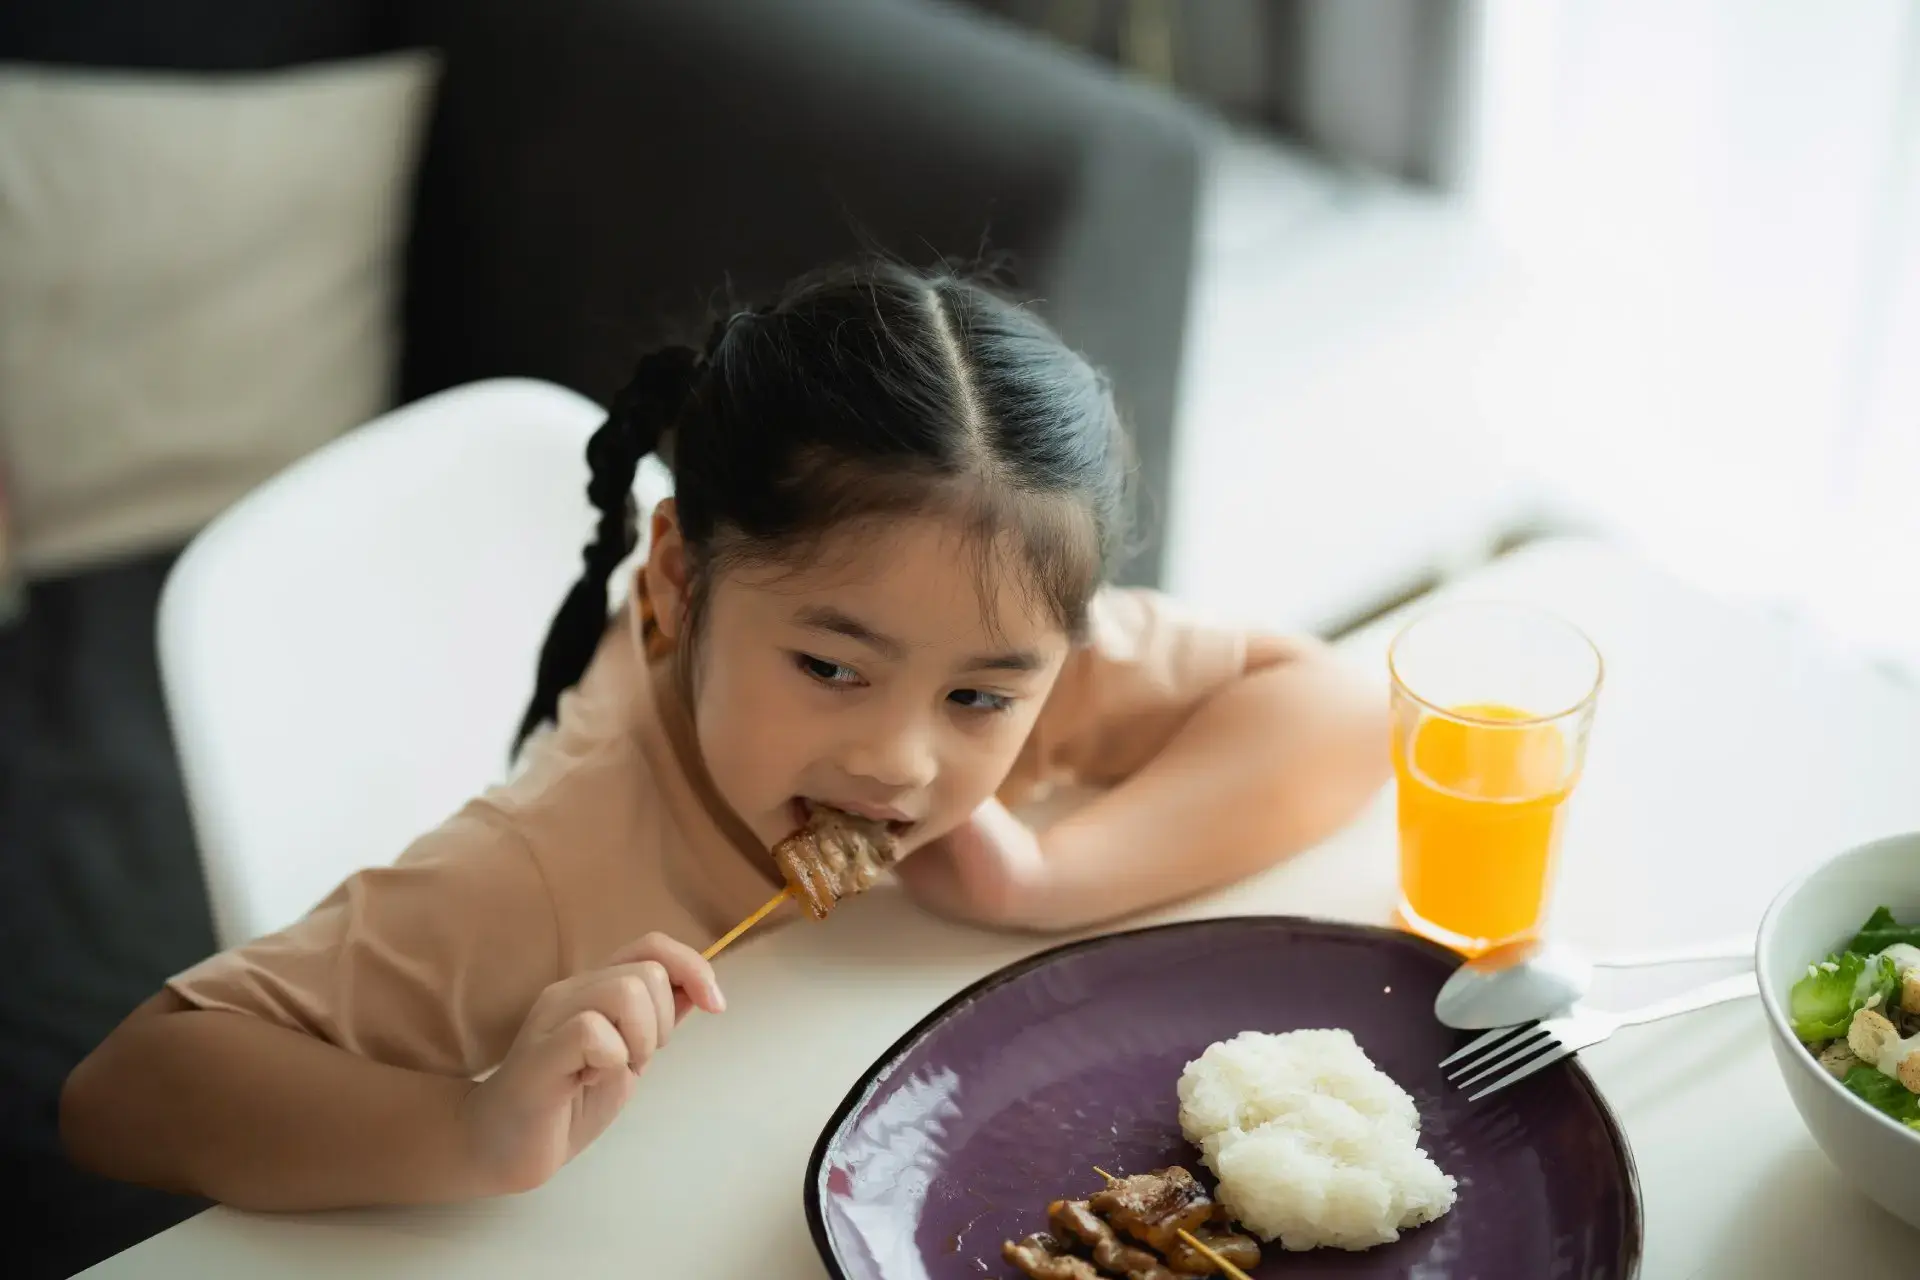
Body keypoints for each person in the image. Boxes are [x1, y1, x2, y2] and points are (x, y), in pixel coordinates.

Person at [61, 261, 1385, 1210]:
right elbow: (124, 1093)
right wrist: (467, 1129)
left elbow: (1333, 707)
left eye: (980, 700)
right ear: (678, 582)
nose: (903, 760)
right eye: (830, 668)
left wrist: (1043, 877)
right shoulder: (548, 865)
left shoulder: (986, 637)